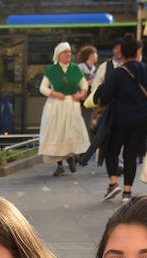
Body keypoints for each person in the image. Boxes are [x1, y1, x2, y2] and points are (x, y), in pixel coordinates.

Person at [94, 33, 147, 204]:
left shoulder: (117, 74)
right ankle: (127, 192)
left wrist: (102, 90)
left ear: (121, 54)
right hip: (143, 119)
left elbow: (106, 97)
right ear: (138, 52)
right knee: (131, 154)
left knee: (112, 150)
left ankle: (113, 183)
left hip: (120, 120)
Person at [39, 41, 89, 177]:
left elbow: (84, 85)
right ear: (58, 54)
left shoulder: (76, 69)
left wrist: (80, 94)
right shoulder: (52, 70)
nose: (68, 54)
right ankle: (60, 165)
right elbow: (42, 88)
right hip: (56, 105)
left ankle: (70, 157)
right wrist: (55, 93)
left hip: (71, 105)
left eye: (69, 52)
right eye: (65, 52)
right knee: (57, 133)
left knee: (71, 133)